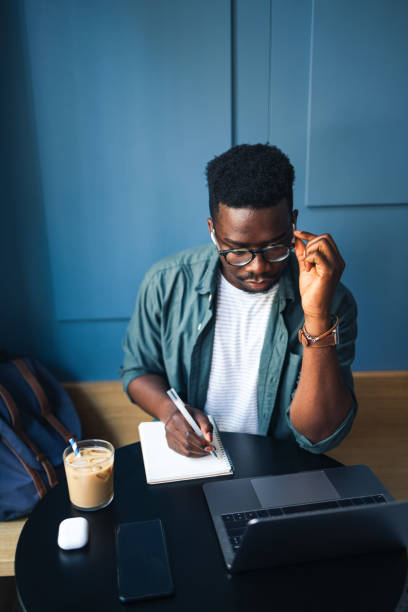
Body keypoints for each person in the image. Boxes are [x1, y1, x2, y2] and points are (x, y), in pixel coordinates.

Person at [120, 144, 357, 457]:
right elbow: (138, 370)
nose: (258, 267)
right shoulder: (166, 282)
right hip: (191, 464)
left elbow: (318, 435)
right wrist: (170, 413)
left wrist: (316, 315)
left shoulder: (332, 300)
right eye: (237, 250)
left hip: (280, 468)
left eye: (275, 247)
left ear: (293, 225)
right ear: (213, 232)